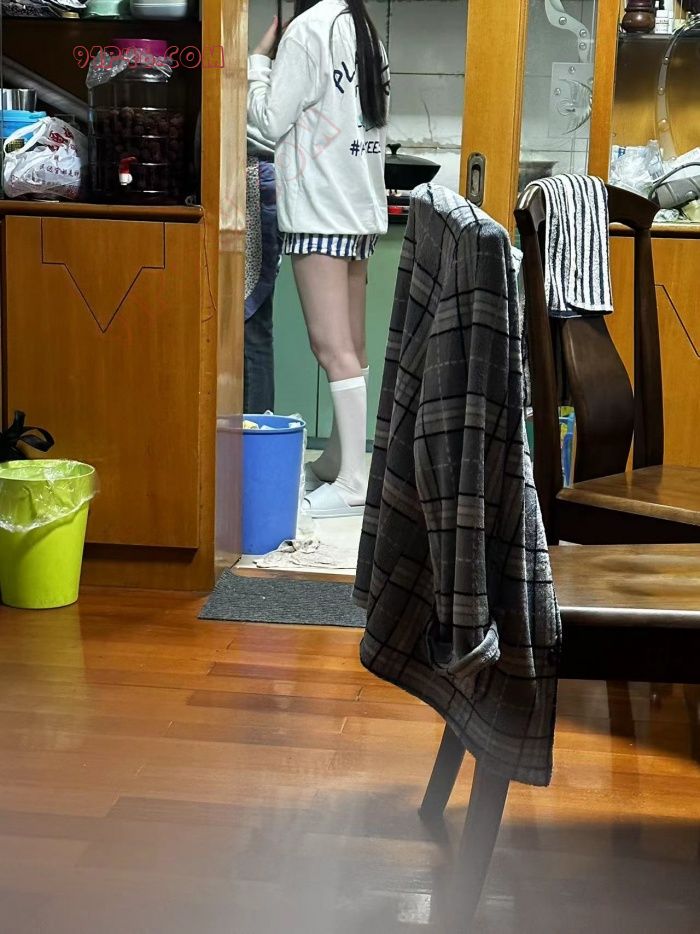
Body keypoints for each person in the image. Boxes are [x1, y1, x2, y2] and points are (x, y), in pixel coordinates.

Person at [248, 0, 390, 519]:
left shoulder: (308, 29)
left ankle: (352, 481)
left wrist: (257, 62)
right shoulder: (362, 27)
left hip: (321, 210)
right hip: (359, 208)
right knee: (352, 346)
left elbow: (268, 120)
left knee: (331, 348)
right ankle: (339, 460)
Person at [244, 120, 281, 414]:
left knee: (251, 327)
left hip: (254, 176)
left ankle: (255, 432)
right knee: (250, 330)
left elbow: (272, 121)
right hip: (248, 175)